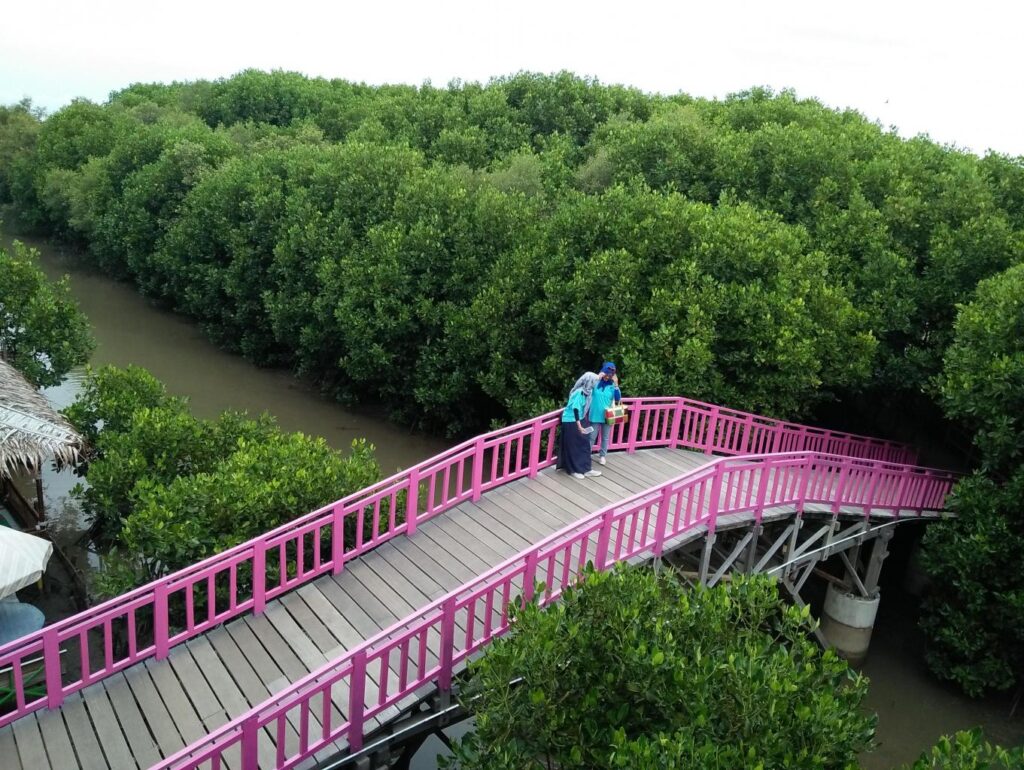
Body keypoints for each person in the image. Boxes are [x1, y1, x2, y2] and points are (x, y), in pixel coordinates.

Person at [556, 372, 603, 479]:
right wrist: (579, 426)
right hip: (570, 420)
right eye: (595, 381)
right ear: (589, 381)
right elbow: (575, 409)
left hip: (580, 418)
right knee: (574, 445)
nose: (596, 383)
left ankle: (586, 469)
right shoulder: (579, 392)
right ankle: (574, 470)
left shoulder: (589, 391)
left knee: (585, 444)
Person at [587, 362, 622, 466]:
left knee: (605, 437)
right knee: (592, 436)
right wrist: (598, 377)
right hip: (595, 414)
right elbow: (587, 389)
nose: (607, 376)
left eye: (610, 375)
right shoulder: (596, 382)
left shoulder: (612, 386)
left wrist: (616, 384)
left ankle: (602, 456)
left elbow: (618, 399)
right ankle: (586, 454)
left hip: (608, 415)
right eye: (606, 374)